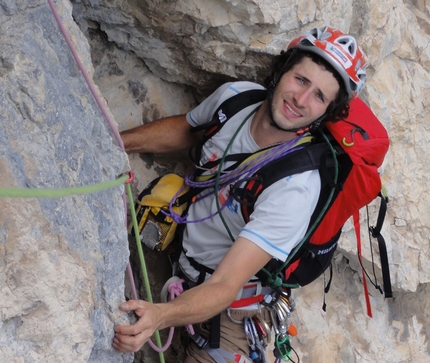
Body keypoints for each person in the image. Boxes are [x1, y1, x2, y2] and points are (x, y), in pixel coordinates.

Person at [113, 26, 367, 362]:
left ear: (326, 114)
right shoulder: (238, 99)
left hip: (230, 316)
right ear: (282, 70)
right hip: (181, 263)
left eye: (319, 96)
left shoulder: (295, 189)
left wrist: (159, 316)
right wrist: (115, 141)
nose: (300, 100)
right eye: (301, 80)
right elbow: (188, 130)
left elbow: (224, 286)